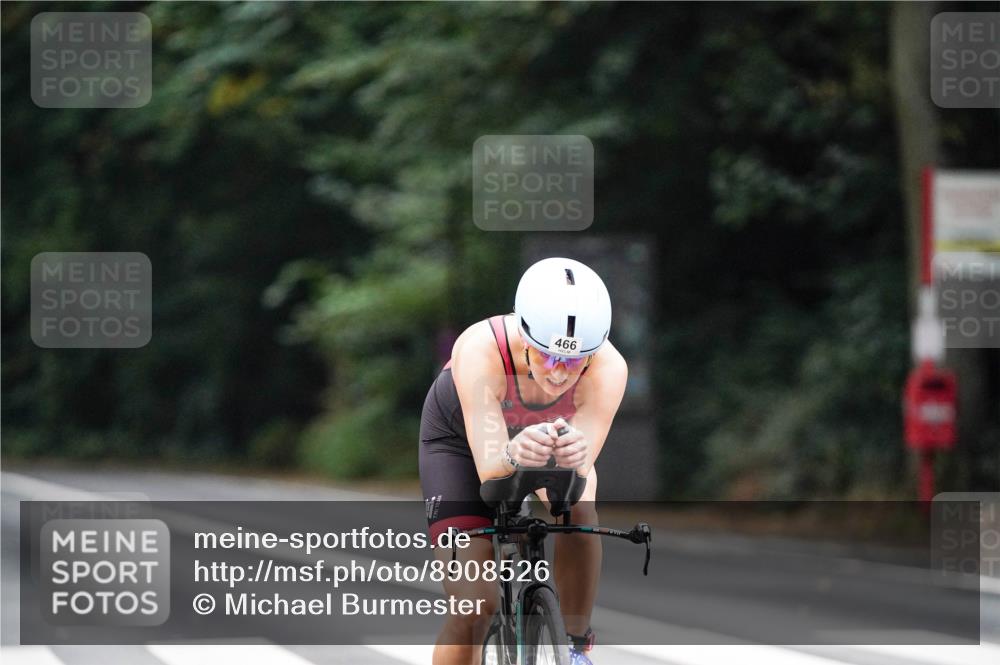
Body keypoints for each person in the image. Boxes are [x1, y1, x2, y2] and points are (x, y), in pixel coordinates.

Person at [419, 257, 628, 665]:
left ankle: (576, 645)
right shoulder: (481, 346)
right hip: (461, 446)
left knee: (579, 511)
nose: (558, 373)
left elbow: (573, 480)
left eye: (574, 361)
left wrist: (572, 460)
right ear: (523, 335)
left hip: (548, 438)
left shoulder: (609, 367)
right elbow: (492, 471)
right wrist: (515, 452)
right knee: (475, 604)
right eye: (547, 356)